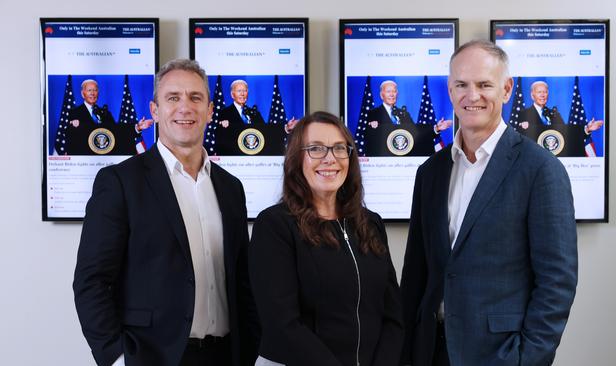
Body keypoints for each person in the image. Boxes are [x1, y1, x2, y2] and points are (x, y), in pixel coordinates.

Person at [400, 40, 578, 366]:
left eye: (484, 85)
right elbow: (416, 273)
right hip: (430, 351)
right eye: (462, 85)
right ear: (450, 91)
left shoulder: (540, 169)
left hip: (500, 354)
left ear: (507, 89)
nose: (473, 95)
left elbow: (557, 281)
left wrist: (526, 358)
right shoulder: (431, 172)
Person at [73, 59, 259, 366]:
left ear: (210, 110)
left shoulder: (230, 187)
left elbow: (242, 280)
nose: (185, 107)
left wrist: (250, 348)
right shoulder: (120, 182)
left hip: (225, 356)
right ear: (155, 110)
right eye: (173, 98)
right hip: (152, 357)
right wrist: (117, 357)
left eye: (195, 97)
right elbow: (90, 281)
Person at [249, 111, 403, 366]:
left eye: (339, 148)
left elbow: (392, 315)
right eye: (316, 149)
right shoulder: (275, 226)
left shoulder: (370, 223)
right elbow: (281, 324)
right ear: (297, 158)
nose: (330, 159)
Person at [66, 79, 153, 155]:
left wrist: (137, 127)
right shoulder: (74, 113)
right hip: (84, 161)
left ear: (98, 93)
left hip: (104, 160)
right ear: (82, 94)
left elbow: (117, 131)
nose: (92, 93)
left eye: (95, 90)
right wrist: (73, 127)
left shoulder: (105, 113)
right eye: (89, 90)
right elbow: (69, 138)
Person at [517, 80, 603, 156]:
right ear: (532, 95)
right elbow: (518, 139)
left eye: (545, 92)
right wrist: (523, 129)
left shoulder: (555, 114)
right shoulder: (524, 114)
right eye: (539, 92)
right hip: (534, 159)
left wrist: (587, 129)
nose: (542, 95)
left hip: (553, 160)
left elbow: (566, 134)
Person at [366, 80, 451, 156]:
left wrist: (436, 128)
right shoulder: (373, 113)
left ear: (397, 94)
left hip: (405, 160)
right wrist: (372, 128)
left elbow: (415, 133)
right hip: (385, 161)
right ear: (381, 95)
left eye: (394, 91)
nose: (392, 94)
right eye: (388, 91)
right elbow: (368, 138)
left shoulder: (403, 113)